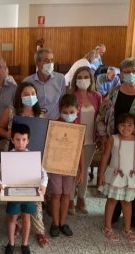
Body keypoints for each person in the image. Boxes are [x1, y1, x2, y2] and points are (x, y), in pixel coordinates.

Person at [96, 57, 135, 227]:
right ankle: (114, 214)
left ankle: (134, 218)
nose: (130, 74)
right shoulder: (114, 91)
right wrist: (103, 136)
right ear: (121, 73)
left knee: (133, 178)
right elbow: (101, 116)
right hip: (114, 141)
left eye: (133, 71)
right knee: (116, 176)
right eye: (126, 71)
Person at [0, 82, 48, 247]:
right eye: (26, 93)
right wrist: (13, 136)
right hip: (14, 155)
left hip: (34, 156)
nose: (30, 96)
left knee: (34, 196)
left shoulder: (42, 114)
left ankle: (40, 230)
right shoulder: (11, 111)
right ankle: (15, 225)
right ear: (19, 95)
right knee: (15, 193)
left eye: (33, 93)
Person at [0, 123, 48, 254]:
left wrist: (43, 184)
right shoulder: (7, 156)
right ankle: (11, 243)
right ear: (12, 140)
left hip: (29, 192)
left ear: (28, 140)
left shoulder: (32, 157)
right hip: (13, 193)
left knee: (26, 218)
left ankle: (25, 244)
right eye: (17, 139)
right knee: (12, 217)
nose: (20, 143)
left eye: (24, 140)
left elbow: (43, 173)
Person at [98, 113, 135, 243]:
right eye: (122, 124)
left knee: (127, 202)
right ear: (117, 126)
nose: (126, 127)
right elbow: (105, 156)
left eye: (130, 125)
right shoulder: (113, 139)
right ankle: (107, 227)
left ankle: (127, 228)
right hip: (116, 177)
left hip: (131, 177)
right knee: (112, 200)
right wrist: (101, 174)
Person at [48, 94, 84, 238]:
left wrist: (81, 170)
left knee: (66, 195)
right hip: (55, 167)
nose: (68, 115)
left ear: (77, 110)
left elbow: (80, 150)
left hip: (70, 168)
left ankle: (63, 222)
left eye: (71, 112)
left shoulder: (78, 129)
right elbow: (50, 147)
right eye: (65, 112)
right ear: (60, 111)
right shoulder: (55, 125)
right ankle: (55, 223)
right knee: (56, 194)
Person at [69, 67, 102, 215]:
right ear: (75, 80)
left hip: (91, 139)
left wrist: (101, 138)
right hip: (75, 140)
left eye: (86, 77)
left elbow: (101, 118)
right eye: (80, 77)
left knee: (85, 169)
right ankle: (70, 198)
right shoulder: (72, 96)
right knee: (73, 171)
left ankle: (81, 197)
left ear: (91, 79)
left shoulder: (96, 96)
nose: (83, 80)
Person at [23, 48, 66, 120]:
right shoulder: (28, 81)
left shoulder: (60, 78)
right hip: (35, 120)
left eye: (52, 60)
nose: (50, 63)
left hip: (54, 120)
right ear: (37, 63)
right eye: (46, 61)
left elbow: (62, 101)